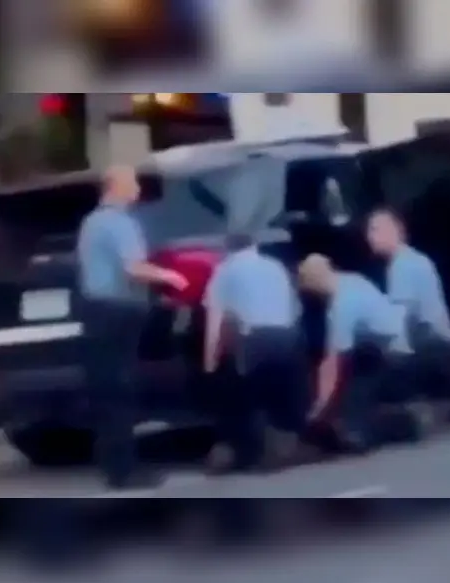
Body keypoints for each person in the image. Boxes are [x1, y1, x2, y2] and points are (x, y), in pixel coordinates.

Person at [76, 165, 188, 489]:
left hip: (94, 310)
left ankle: (113, 466)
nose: (137, 188)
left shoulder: (90, 222)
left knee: (106, 390)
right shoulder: (121, 223)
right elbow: (134, 269)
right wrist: (172, 277)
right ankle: (126, 471)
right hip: (118, 312)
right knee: (122, 390)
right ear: (115, 186)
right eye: (133, 182)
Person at [202, 233, 310, 473]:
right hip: (289, 338)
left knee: (239, 389)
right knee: (278, 388)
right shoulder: (276, 267)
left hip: (256, 340)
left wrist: (210, 363)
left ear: (227, 249)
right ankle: (286, 441)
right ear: (255, 246)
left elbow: (215, 321)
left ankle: (243, 449)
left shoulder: (224, 270)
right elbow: (295, 312)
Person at [297, 253, 413, 453]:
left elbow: (332, 361)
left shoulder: (342, 305)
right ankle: (364, 427)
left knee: (357, 382)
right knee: (359, 364)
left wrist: (320, 407)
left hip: (396, 354)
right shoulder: (353, 280)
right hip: (400, 344)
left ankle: (365, 432)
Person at [365, 208, 450, 425]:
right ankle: (444, 388)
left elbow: (401, 316)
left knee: (376, 373)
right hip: (441, 344)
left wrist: (391, 354)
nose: (370, 236)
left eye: (376, 229)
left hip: (431, 346)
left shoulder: (402, 265)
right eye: (369, 230)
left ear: (398, 231)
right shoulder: (414, 259)